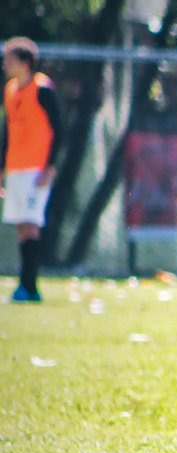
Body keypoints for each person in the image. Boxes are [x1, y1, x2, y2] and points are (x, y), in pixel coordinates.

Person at [1, 37, 61, 303]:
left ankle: (30, 285)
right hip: (15, 166)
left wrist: (50, 167)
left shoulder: (42, 89)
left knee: (31, 224)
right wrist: (2, 167)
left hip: (36, 169)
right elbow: (8, 131)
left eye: (10, 60)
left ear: (24, 63)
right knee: (20, 225)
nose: (5, 65)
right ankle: (26, 286)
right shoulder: (11, 90)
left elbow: (59, 129)